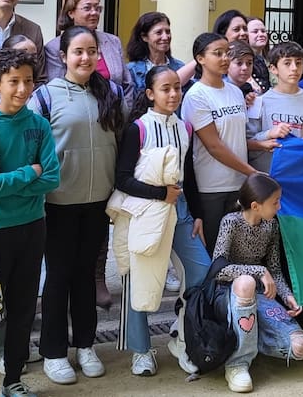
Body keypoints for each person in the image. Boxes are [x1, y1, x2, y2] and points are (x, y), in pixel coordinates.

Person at [29, 26, 125, 385]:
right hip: (57, 203)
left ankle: (85, 345)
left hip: (98, 201)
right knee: (58, 276)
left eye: (91, 51)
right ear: (64, 56)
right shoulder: (45, 97)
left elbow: (122, 141)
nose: (85, 58)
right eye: (78, 52)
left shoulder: (112, 93)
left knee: (87, 274)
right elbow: (33, 147)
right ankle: (54, 352)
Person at [0, 49, 61, 397]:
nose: (23, 89)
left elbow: (52, 177)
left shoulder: (38, 124)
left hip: (33, 226)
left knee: (23, 307)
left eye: (29, 81)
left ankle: (13, 379)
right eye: (13, 82)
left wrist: (13, 179)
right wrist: (28, 172)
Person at [115, 65, 211, 378]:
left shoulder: (185, 127)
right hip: (146, 212)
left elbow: (191, 173)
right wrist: (160, 193)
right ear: (149, 93)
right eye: (165, 89)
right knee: (141, 280)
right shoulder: (138, 129)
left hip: (181, 211)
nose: (173, 94)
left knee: (201, 272)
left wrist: (196, 213)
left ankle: (185, 337)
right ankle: (141, 351)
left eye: (176, 88)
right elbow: (123, 179)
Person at [211, 174, 303, 391]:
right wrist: (257, 270)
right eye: (275, 202)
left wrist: (287, 296)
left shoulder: (271, 226)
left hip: (258, 294)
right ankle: (237, 364)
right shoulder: (231, 222)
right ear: (256, 206)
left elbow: (274, 270)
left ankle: (250, 339)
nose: (279, 206)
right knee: (246, 282)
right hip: (229, 292)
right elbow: (219, 270)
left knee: (299, 347)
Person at [180, 33, 261, 248]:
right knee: (214, 248)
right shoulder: (196, 96)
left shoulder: (235, 92)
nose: (224, 58)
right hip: (211, 186)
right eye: (218, 53)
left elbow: (239, 138)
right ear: (200, 59)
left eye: (227, 53)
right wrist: (251, 172)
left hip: (239, 184)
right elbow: (214, 146)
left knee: (236, 249)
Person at [44, 0, 134, 99]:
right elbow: (57, 90)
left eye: (97, 8)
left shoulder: (113, 42)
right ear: (71, 13)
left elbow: (127, 84)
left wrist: (123, 112)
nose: (94, 12)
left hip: (115, 112)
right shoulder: (54, 47)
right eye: (87, 8)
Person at [247, 41, 303, 173]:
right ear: (273, 69)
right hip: (266, 175)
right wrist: (269, 134)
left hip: (298, 174)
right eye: (287, 63)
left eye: (298, 63)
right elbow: (246, 143)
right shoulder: (259, 101)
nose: (294, 68)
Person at [125, 12, 190, 93]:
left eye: (168, 32)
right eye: (159, 33)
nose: (165, 37)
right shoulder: (132, 71)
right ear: (144, 37)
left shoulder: (179, 67)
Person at [246, 16, 271, 92]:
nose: (261, 34)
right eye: (255, 31)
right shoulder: (240, 63)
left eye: (263, 31)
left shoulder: (270, 60)